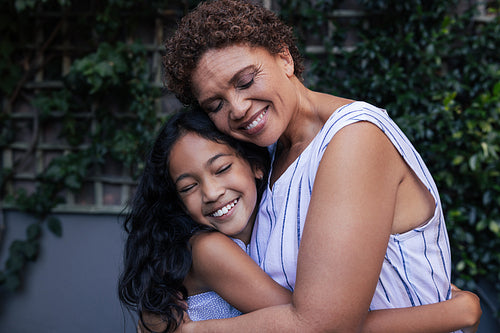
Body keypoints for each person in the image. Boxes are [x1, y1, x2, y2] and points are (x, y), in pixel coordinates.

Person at [162, 0, 482, 332]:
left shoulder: (355, 140)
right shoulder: (264, 155)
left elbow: (323, 326)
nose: (238, 108)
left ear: (284, 57)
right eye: (216, 104)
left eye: (245, 81)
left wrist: (195, 330)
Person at [120, 109, 478, 333]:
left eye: (223, 169)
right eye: (189, 186)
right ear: (178, 202)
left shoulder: (261, 233)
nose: (211, 192)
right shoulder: (208, 249)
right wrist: (456, 312)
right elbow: (320, 324)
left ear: (258, 167)